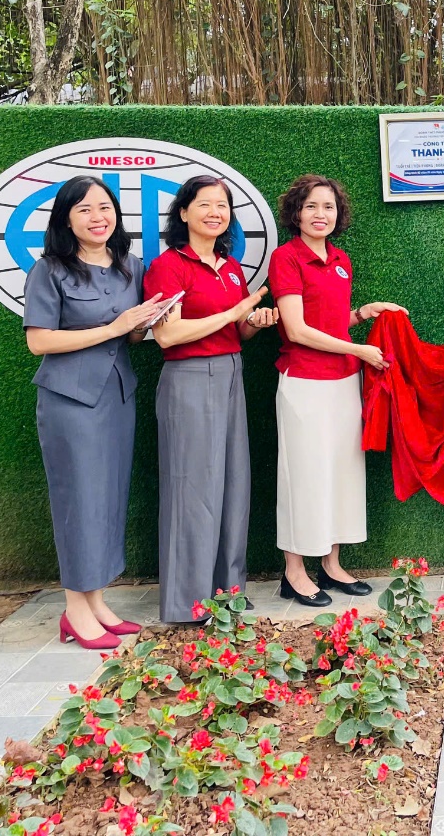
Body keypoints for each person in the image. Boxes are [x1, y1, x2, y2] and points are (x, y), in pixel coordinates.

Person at [24, 177, 164, 649]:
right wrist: (116, 326)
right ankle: (74, 610)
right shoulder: (50, 269)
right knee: (77, 502)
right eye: (85, 209)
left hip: (118, 396)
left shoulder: (131, 266)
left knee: (107, 498)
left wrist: (144, 325)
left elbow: (131, 337)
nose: (98, 217)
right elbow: (39, 341)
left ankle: (98, 602)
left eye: (105, 207)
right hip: (70, 402)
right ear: (67, 218)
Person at [269, 174, 407, 608]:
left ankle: (331, 566)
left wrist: (364, 313)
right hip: (304, 382)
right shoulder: (285, 259)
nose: (320, 215)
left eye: (327, 207)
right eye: (311, 206)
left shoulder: (341, 259)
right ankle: (294, 572)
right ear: (296, 213)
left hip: (344, 381)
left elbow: (328, 323)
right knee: (303, 476)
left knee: (340, 473)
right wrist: (360, 349)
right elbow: (296, 329)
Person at [146, 175, 278, 623]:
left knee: (232, 483)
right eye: (204, 204)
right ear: (183, 213)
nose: (215, 212)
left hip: (230, 372)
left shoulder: (232, 266)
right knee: (192, 488)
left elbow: (236, 329)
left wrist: (255, 320)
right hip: (187, 378)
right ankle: (189, 601)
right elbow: (167, 334)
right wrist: (233, 312)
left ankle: (228, 592)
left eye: (222, 205)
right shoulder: (168, 266)